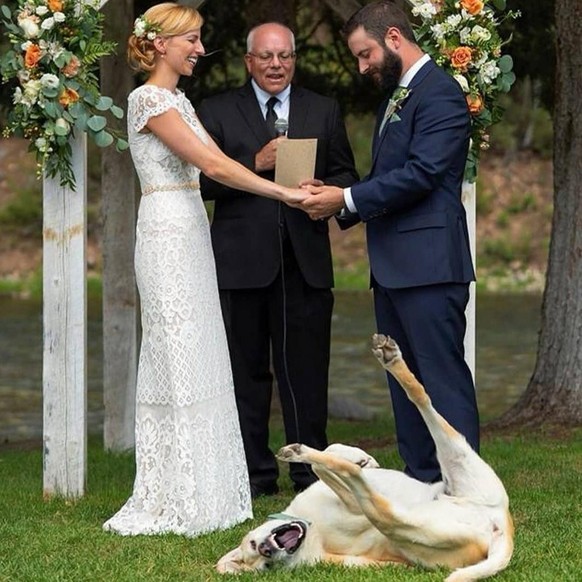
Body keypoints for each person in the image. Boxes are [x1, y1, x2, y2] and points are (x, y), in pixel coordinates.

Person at [103, 3, 309, 537]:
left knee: (203, 348)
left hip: (194, 227)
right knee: (176, 348)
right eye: (191, 40)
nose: (199, 49)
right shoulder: (147, 98)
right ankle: (176, 489)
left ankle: (210, 485)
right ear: (162, 45)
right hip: (166, 229)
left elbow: (223, 160)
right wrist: (284, 191)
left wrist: (279, 174)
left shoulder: (179, 99)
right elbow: (215, 166)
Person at [302, 1, 480, 484]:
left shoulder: (440, 93)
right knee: (405, 383)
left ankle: (465, 491)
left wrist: (347, 197)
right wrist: (338, 199)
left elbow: (422, 174)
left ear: (395, 38)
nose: (362, 67)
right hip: (395, 267)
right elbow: (389, 176)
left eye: (365, 54)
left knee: (441, 380)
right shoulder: (398, 95)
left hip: (430, 266)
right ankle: (423, 481)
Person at [196, 23, 358, 498]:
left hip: (304, 264)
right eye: (266, 57)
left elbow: (346, 173)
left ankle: (312, 477)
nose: (275, 65)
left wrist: (325, 191)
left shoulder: (322, 109)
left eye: (284, 56)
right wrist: (254, 164)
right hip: (241, 266)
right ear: (248, 61)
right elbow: (201, 185)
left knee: (306, 375)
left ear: (294, 60)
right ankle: (253, 476)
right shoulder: (218, 111)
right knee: (245, 376)